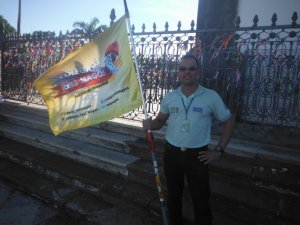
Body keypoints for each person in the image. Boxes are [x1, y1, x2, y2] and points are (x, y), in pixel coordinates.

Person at [142, 54, 236, 225]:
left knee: (201, 202)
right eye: (183, 69)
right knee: (173, 198)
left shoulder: (211, 96)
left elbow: (229, 119)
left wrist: (219, 150)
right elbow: (160, 121)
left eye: (191, 68)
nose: (187, 72)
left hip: (197, 157)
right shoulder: (170, 97)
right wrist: (150, 125)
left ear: (198, 71)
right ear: (178, 72)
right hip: (172, 155)